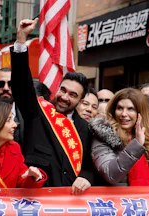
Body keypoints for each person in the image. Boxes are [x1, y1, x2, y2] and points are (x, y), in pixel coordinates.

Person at [11, 18, 106, 193]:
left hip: (70, 203)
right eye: (63, 90)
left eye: (72, 95)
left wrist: (85, 177)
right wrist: (21, 40)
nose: (64, 97)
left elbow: (89, 166)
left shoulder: (85, 127)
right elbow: (21, 85)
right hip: (36, 199)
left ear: (81, 100)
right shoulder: (38, 111)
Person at [89, 88, 149, 192]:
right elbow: (111, 174)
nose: (124, 114)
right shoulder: (103, 134)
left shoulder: (148, 136)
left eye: (130, 109)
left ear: (140, 112)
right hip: (115, 204)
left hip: (144, 203)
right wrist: (136, 146)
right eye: (120, 108)